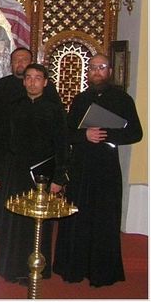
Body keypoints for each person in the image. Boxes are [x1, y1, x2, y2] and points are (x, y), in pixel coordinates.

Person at [53, 54, 142, 287]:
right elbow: (67, 133)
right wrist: (85, 134)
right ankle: (73, 268)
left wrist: (105, 134)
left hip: (106, 168)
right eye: (93, 67)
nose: (96, 71)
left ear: (109, 71)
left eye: (101, 67)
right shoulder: (81, 99)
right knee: (77, 217)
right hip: (81, 167)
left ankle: (101, 272)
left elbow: (136, 133)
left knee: (104, 218)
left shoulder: (123, 99)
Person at [0, 63, 69, 284]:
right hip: (15, 172)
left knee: (36, 224)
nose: (32, 82)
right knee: (13, 220)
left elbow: (62, 145)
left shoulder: (54, 109)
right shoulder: (13, 106)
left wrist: (59, 177)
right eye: (28, 77)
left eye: (37, 78)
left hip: (41, 175)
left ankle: (35, 269)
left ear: (45, 82)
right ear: (24, 81)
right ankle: (11, 267)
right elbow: (2, 141)